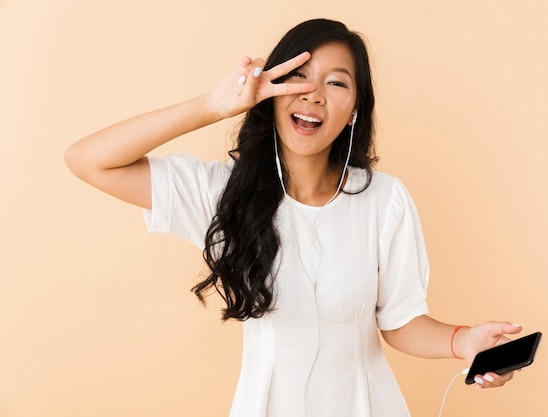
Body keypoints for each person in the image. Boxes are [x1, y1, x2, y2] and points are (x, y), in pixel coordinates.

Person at [65, 18, 523, 417]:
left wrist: (464, 341)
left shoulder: (385, 199)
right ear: (271, 91)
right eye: (299, 77)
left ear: (354, 111)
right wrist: (213, 105)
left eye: (337, 83)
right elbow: (87, 159)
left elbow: (400, 322)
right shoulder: (224, 195)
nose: (315, 95)